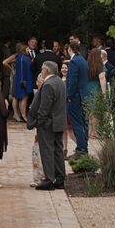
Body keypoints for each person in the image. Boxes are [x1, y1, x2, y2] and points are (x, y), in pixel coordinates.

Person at [27, 61, 66, 190]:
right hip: (59, 121)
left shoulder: (48, 84)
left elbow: (45, 107)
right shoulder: (60, 82)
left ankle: (49, 179)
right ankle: (60, 178)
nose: (41, 71)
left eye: (42, 69)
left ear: (47, 70)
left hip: (49, 123)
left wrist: (39, 121)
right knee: (58, 150)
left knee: (47, 151)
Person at [65, 41, 90, 157]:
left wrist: (68, 96)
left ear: (70, 49)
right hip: (83, 95)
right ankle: (83, 147)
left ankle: (81, 149)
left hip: (75, 97)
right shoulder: (83, 60)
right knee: (83, 123)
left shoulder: (74, 61)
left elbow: (73, 81)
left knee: (77, 124)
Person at [3, 43, 34, 123]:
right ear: (23, 49)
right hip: (21, 78)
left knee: (17, 96)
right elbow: (4, 62)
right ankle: (19, 115)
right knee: (20, 97)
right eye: (27, 49)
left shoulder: (19, 57)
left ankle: (18, 114)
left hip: (18, 77)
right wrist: (12, 70)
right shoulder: (19, 56)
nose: (28, 50)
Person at [85, 48, 107, 139]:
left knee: (89, 112)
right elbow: (102, 79)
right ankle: (95, 132)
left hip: (87, 88)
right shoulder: (100, 65)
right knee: (95, 112)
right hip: (96, 89)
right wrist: (104, 93)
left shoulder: (87, 65)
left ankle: (90, 132)